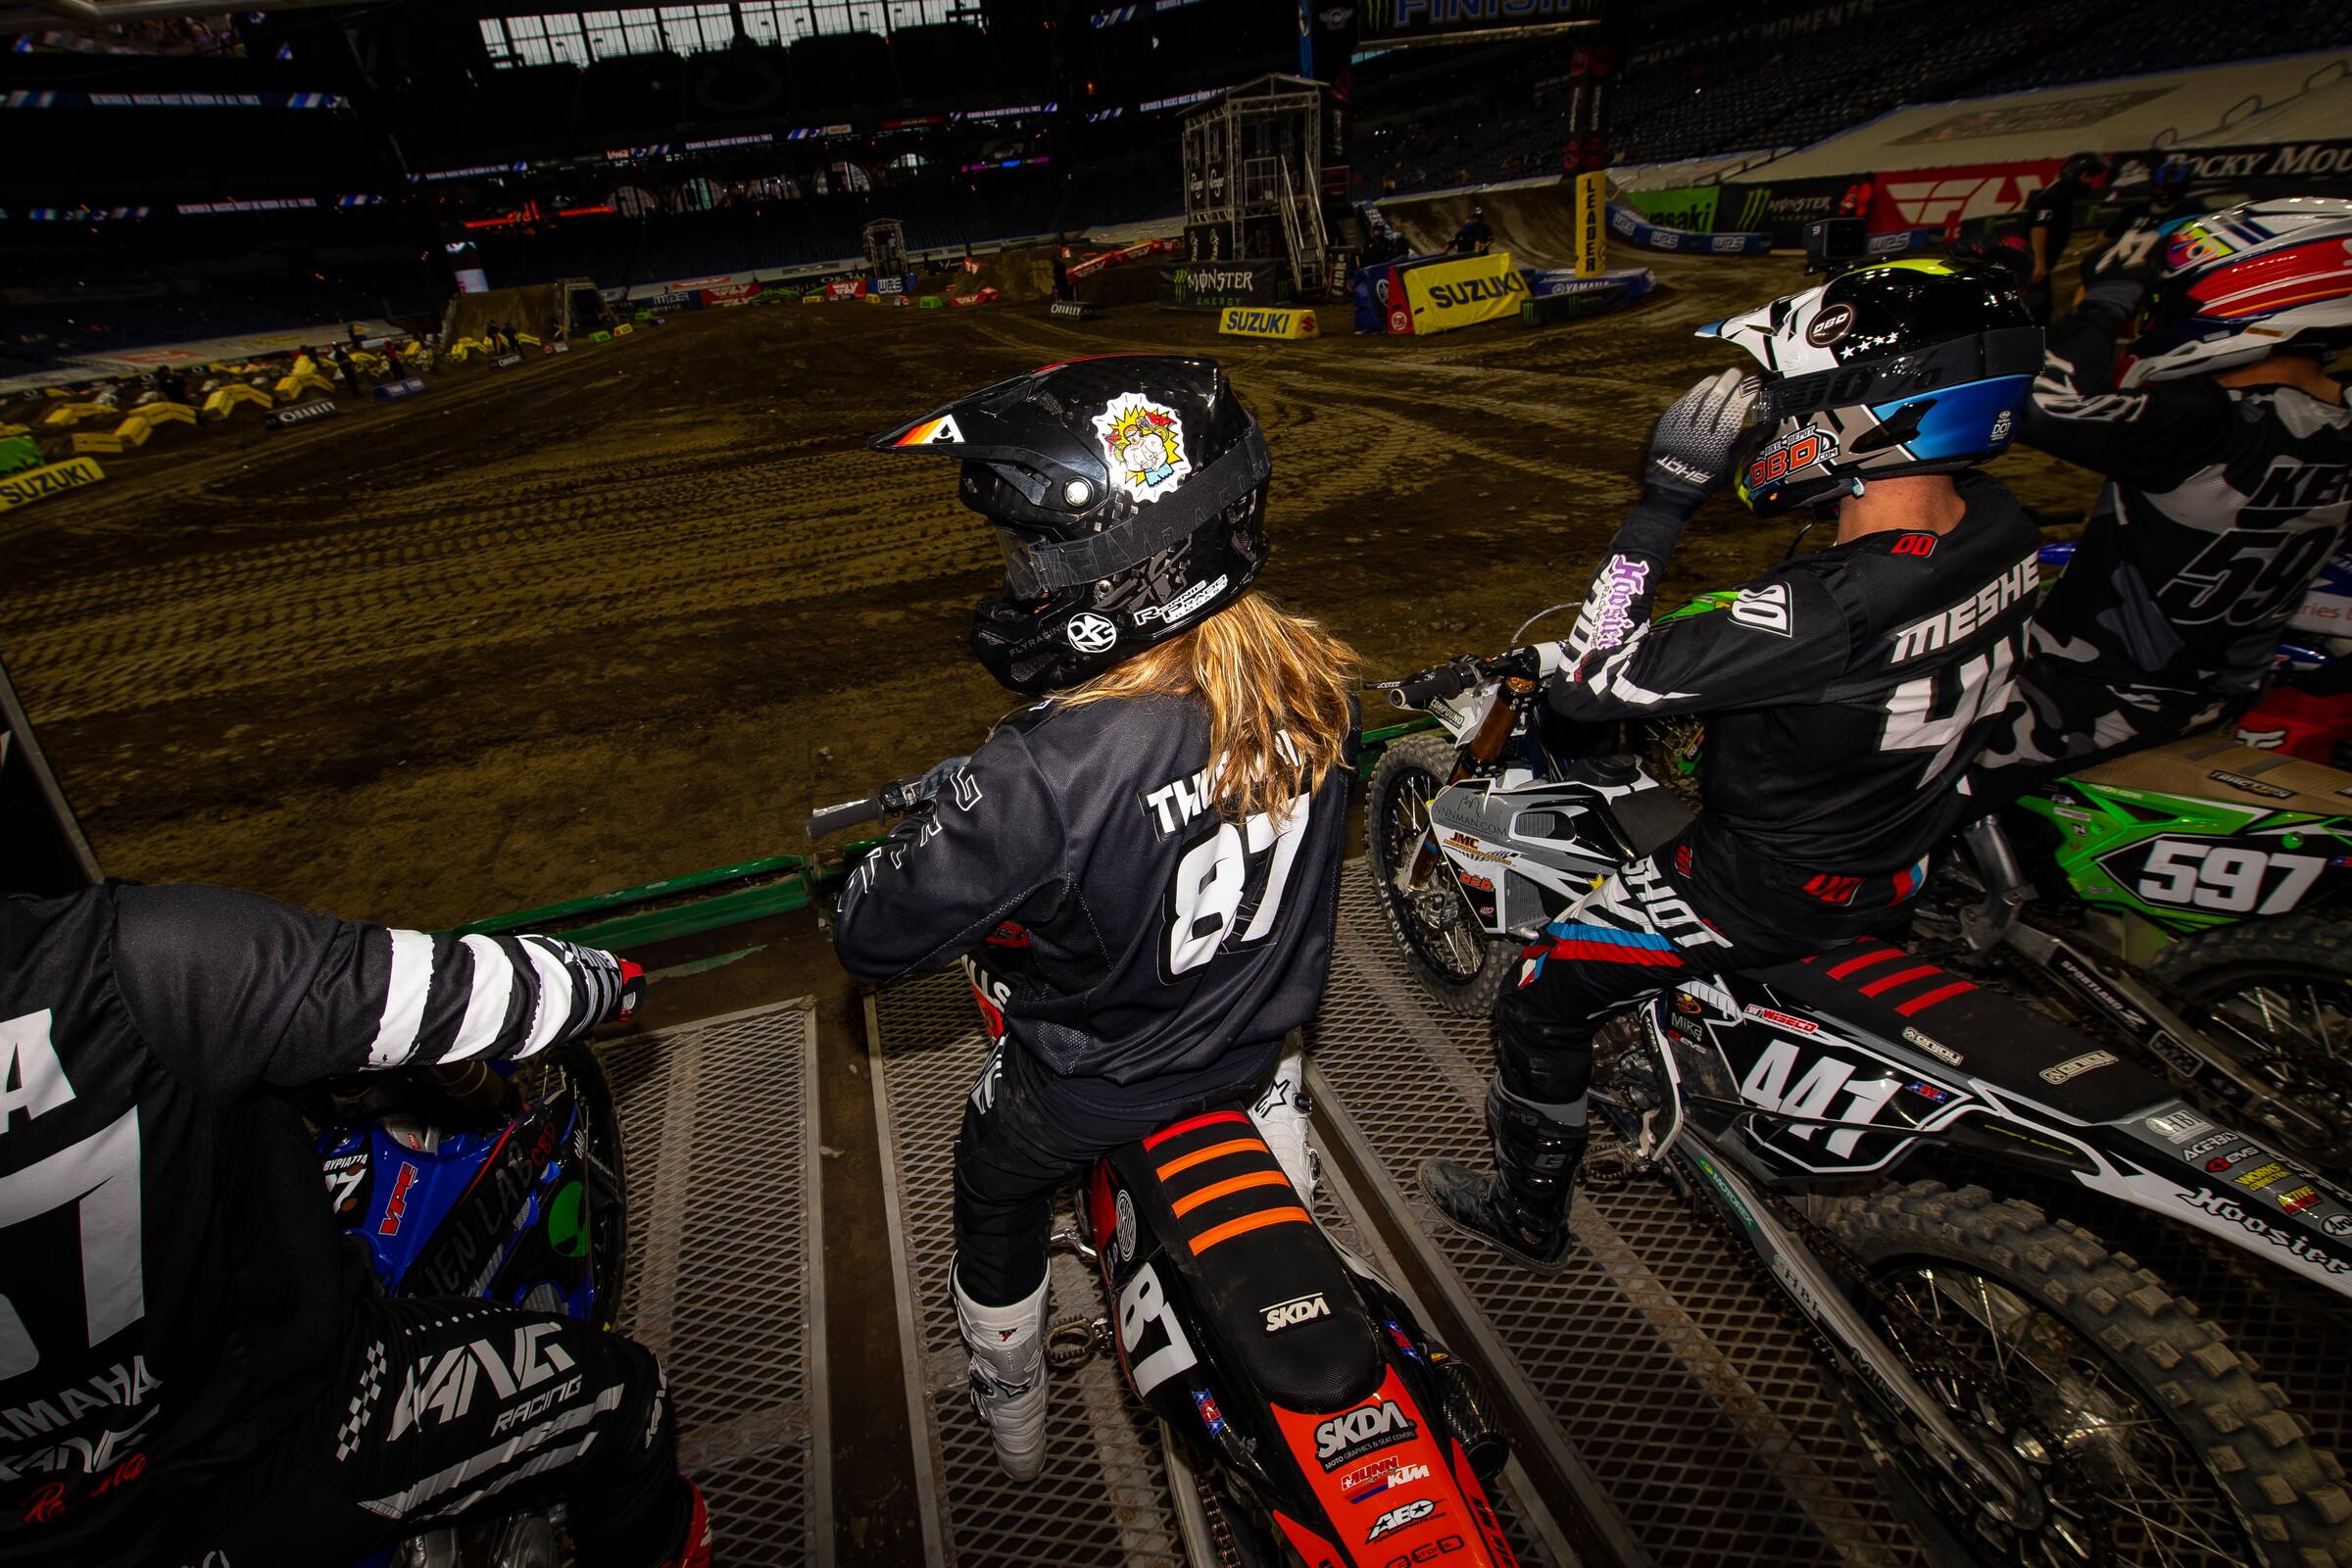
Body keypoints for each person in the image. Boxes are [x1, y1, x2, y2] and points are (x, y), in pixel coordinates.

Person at [1419, 259, 2047, 1269]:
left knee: (1539, 988)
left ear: (1864, 416)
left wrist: (1663, 505)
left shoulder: (1824, 605)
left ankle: (1527, 1211)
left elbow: (1583, 686)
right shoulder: (2005, 526)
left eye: (1785, 404)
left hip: (1761, 886)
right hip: (1902, 845)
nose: (1764, 427)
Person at [834, 356, 1358, 1479]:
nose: (1021, 579)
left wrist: (930, 832)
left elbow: (871, 935)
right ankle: (1289, 1177)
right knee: (1267, 1068)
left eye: (1035, 557)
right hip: (1258, 1035)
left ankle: (1013, 1401)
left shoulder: (1043, 771)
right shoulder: (1314, 681)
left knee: (990, 1176)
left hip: (1096, 1079)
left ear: (1120, 567)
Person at [0, 881, 710, 1568]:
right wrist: (605, 980)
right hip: (264, 1443)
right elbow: (455, 995)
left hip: (40, 1525)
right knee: (626, 1401)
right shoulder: (127, 958)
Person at [1976, 198, 2352, 796]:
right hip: (2209, 696)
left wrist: (2106, 302)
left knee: (1855, 773)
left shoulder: (2219, 421)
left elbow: (2045, 407)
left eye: (2167, 303)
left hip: (2083, 698)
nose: (2154, 322)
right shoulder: (2333, 420)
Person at [2022, 151, 2110, 322]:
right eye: (2087, 176)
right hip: (2032, 265)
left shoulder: (2062, 197)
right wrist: (2039, 263)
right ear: (2075, 174)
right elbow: (2039, 229)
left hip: (2040, 266)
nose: (2088, 182)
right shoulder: (2051, 197)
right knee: (2038, 310)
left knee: (2044, 309)